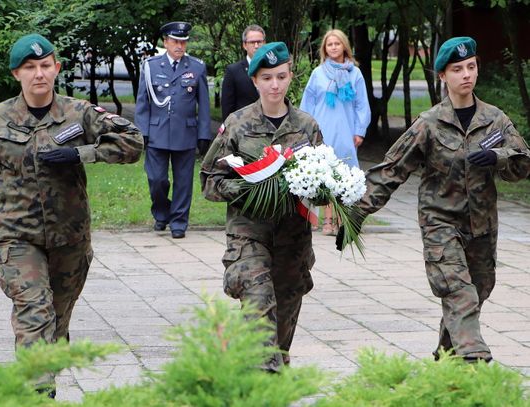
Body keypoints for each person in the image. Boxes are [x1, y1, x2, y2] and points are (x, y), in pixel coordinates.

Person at [337, 36, 530, 362]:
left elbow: (522, 164)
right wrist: (355, 214)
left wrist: (498, 157)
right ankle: (473, 356)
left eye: (471, 67)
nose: (466, 74)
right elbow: (391, 170)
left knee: (478, 291)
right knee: (458, 290)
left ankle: (446, 360)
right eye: (457, 69)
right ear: (443, 76)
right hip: (440, 223)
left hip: (482, 226)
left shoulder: (495, 119)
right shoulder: (429, 124)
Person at [0, 33, 143, 396]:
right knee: (34, 314)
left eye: (45, 66)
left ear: (57, 68)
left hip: (69, 239)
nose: (39, 74)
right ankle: (36, 397)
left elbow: (133, 142)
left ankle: (45, 378)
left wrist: (81, 154)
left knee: (54, 325)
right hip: (17, 237)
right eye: (30, 67)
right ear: (16, 74)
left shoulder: (79, 113)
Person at [200, 42, 322, 371]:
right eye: (266, 77)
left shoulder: (307, 126)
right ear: (255, 81)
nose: (274, 84)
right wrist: (247, 189)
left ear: (290, 77)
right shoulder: (237, 124)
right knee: (258, 303)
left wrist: (321, 188)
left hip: (293, 240)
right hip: (248, 234)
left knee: (281, 328)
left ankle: (264, 382)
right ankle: (261, 379)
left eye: (281, 76)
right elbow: (209, 180)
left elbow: (324, 181)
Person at [135, 21, 211, 238]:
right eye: (175, 41)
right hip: (157, 132)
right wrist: (142, 131)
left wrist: (204, 133)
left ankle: (178, 222)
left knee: (183, 182)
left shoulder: (196, 67)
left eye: (183, 41)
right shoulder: (150, 66)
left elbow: (204, 105)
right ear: (165, 42)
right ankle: (161, 212)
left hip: (185, 132)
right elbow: (143, 102)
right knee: (156, 180)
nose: (180, 45)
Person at [300, 29, 370, 236]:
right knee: (325, 178)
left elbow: (361, 105)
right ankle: (327, 221)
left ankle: (342, 219)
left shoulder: (354, 74)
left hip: (346, 132)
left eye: (337, 44)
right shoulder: (318, 73)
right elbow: (308, 104)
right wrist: (307, 131)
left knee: (344, 178)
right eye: (329, 44)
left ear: (344, 46)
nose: (333, 47)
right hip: (323, 132)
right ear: (324, 49)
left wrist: (360, 131)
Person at [221, 24, 265, 121]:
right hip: (243, 129)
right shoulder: (233, 71)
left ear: (264, 43)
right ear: (245, 45)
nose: (256, 46)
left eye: (259, 42)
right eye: (252, 42)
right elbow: (227, 106)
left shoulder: (271, 69)